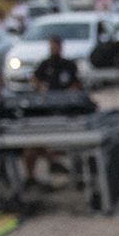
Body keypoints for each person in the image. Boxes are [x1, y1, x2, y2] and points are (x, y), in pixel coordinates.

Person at [22, 36, 82, 185]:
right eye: (51, 46)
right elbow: (33, 79)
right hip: (46, 109)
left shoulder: (68, 65)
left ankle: (76, 173)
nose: (53, 49)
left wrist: (65, 96)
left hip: (67, 110)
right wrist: (40, 88)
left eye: (56, 46)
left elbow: (77, 85)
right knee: (31, 141)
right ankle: (35, 175)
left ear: (61, 47)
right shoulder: (45, 64)